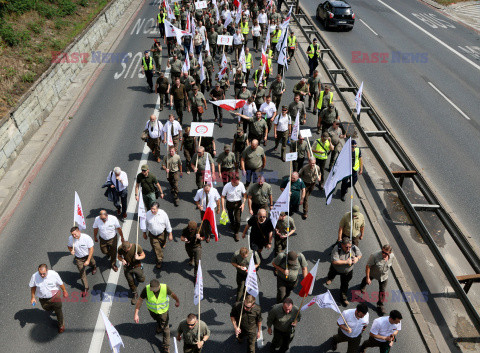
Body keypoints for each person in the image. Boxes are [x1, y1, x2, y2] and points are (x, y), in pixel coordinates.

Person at [134, 279, 180, 353]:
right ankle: (159, 326)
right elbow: (140, 300)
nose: (153, 291)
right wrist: (136, 314)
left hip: (163, 312)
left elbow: (172, 294)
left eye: (154, 289)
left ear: (159, 287)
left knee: (165, 328)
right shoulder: (146, 289)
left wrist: (177, 301)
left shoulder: (165, 288)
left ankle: (166, 346)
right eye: (152, 289)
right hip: (153, 312)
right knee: (159, 321)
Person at [29, 264, 68, 333]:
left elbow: (60, 283)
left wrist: (64, 291)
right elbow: (33, 287)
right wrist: (33, 297)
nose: (42, 275)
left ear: (47, 270)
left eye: (44, 274)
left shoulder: (54, 274)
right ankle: (53, 309)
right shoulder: (34, 276)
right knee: (46, 308)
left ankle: (61, 325)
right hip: (43, 299)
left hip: (55, 296)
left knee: (58, 310)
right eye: (40, 274)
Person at [326, 237, 362, 306]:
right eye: (346, 247)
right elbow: (334, 261)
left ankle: (343, 297)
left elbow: (360, 254)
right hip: (336, 269)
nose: (348, 249)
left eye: (349, 247)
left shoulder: (353, 247)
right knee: (331, 274)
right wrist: (346, 262)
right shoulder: (337, 248)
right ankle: (330, 278)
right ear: (342, 245)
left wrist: (357, 258)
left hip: (347, 271)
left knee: (345, 284)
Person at [360, 245, 394, 315]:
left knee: (382, 291)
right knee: (366, 280)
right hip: (373, 273)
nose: (384, 254)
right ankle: (363, 285)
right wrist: (367, 277)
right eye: (383, 252)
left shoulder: (392, 256)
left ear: (390, 253)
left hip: (384, 276)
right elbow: (368, 266)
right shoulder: (374, 256)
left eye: (386, 253)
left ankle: (380, 305)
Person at [143, 202, 173, 269]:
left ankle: (163, 244)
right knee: (156, 248)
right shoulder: (147, 214)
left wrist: (170, 234)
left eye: (154, 209)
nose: (152, 210)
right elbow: (145, 225)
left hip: (162, 234)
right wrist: (144, 233)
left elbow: (167, 224)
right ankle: (159, 260)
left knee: (162, 244)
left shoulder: (163, 214)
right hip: (153, 235)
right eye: (151, 209)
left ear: (157, 209)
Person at [68, 226, 97, 296]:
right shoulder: (71, 239)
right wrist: (71, 250)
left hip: (87, 256)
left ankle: (94, 267)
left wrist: (88, 260)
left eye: (75, 234)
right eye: (72, 235)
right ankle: (86, 287)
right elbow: (69, 246)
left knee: (92, 263)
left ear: (79, 232)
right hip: (78, 258)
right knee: (82, 273)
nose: (74, 236)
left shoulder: (86, 238)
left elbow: (91, 249)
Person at [118, 241, 146, 305]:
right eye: (124, 250)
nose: (125, 251)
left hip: (136, 266)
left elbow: (143, 255)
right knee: (130, 281)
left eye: (126, 250)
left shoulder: (137, 247)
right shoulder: (120, 248)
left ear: (130, 246)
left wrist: (138, 257)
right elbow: (119, 256)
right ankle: (135, 294)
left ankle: (139, 277)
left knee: (141, 279)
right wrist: (122, 260)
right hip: (127, 267)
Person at [221, 174, 247, 241]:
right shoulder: (227, 186)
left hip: (238, 204)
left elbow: (244, 194)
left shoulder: (241, 185)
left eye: (238, 182)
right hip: (229, 203)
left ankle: (236, 233)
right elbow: (223, 197)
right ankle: (232, 223)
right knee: (230, 215)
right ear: (232, 181)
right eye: (236, 183)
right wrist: (223, 208)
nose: (237, 184)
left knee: (238, 220)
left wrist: (243, 203)